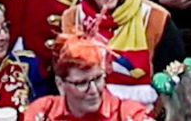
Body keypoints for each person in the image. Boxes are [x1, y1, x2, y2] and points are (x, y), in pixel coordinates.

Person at [23, 34, 152, 121]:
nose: (94, 90)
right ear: (60, 84)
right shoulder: (42, 112)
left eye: (97, 79)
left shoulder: (129, 115)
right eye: (82, 83)